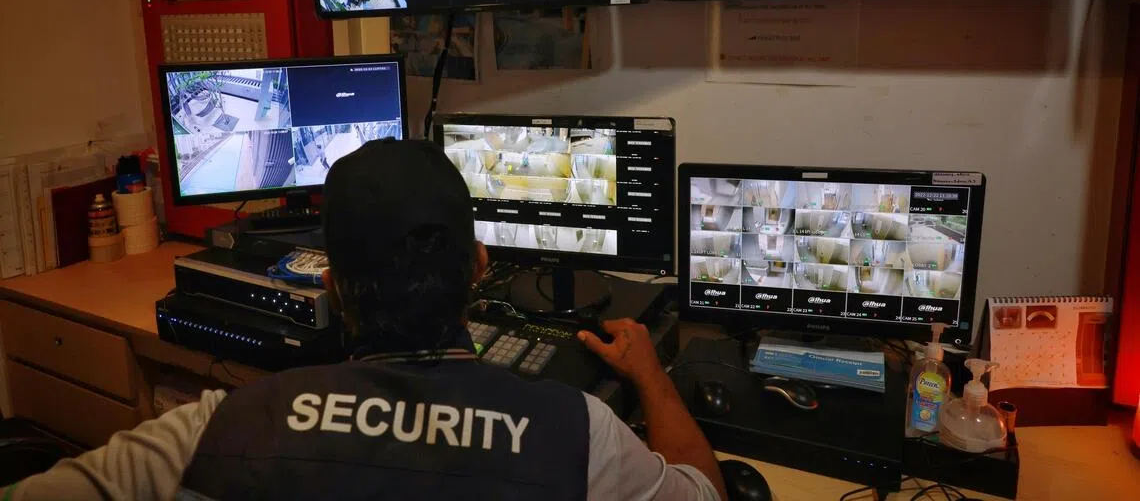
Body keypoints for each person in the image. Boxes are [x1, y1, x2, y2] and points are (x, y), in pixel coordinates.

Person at [5, 139, 726, 501]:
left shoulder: (207, 433)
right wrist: (650, 375)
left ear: (336, 287)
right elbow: (704, 494)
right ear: (479, 268)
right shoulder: (581, 437)